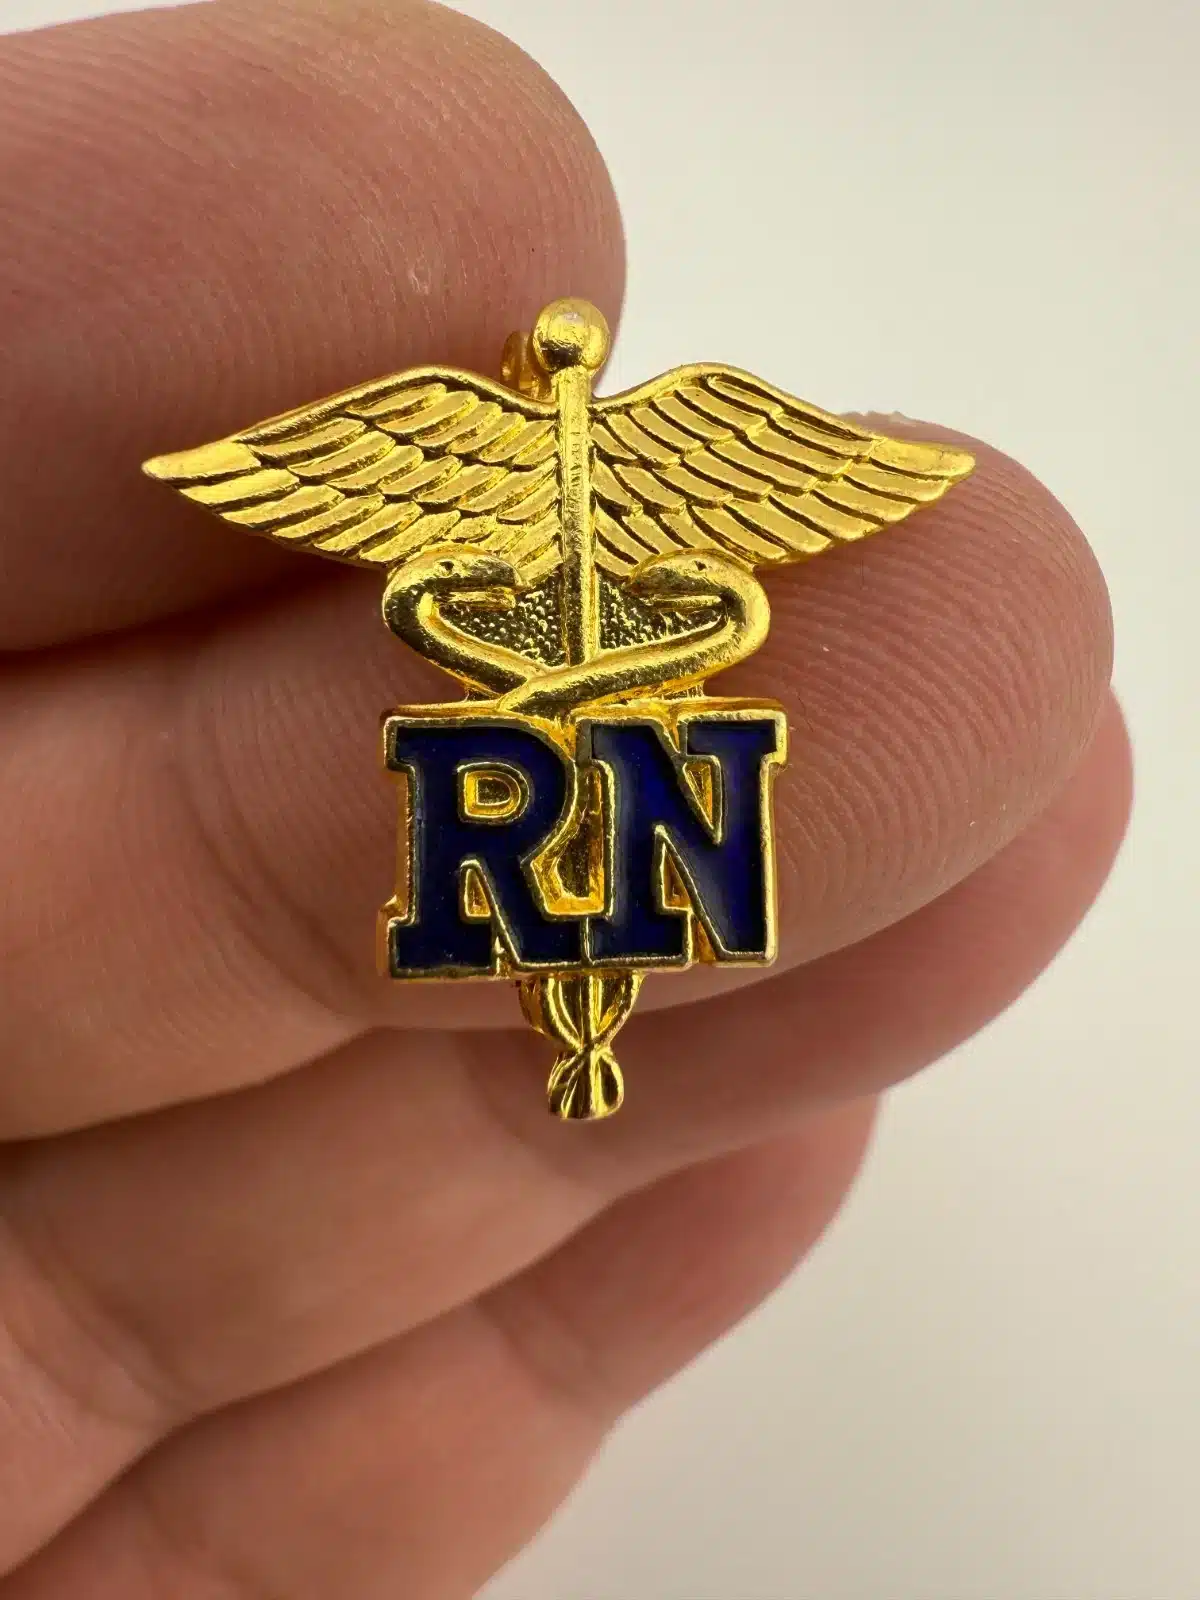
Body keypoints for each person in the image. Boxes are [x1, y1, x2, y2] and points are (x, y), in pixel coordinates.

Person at [0, 1, 1131, 1594]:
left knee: (631, 818)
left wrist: (597, 648)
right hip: (533, 741)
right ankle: (579, 1003)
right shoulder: (460, 465)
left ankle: (587, 1004)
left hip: (604, 740)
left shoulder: (678, 455)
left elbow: (732, 601)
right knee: (553, 839)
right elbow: (424, 604)